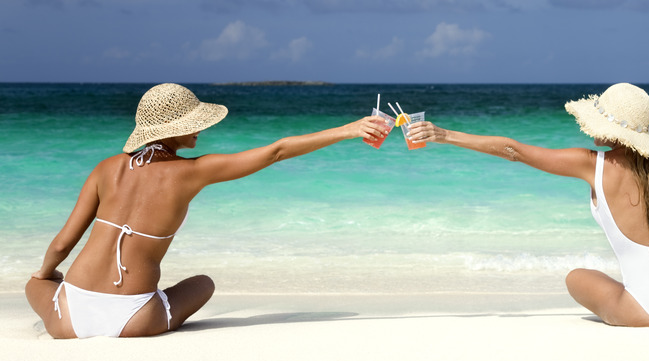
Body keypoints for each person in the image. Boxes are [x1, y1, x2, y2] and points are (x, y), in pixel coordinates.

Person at [26, 83, 390, 338]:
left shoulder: (106, 168)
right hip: (137, 320)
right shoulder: (191, 173)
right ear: (173, 129)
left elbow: (61, 245)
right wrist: (349, 129)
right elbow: (276, 151)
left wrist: (47, 275)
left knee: (35, 283)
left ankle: (57, 290)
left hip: (68, 318)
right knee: (204, 284)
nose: (201, 129)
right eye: (194, 122)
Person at [408, 83, 649, 326]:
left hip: (644, 313)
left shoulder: (593, 163)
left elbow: (514, 150)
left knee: (576, 278)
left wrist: (442, 134)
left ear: (611, 130)